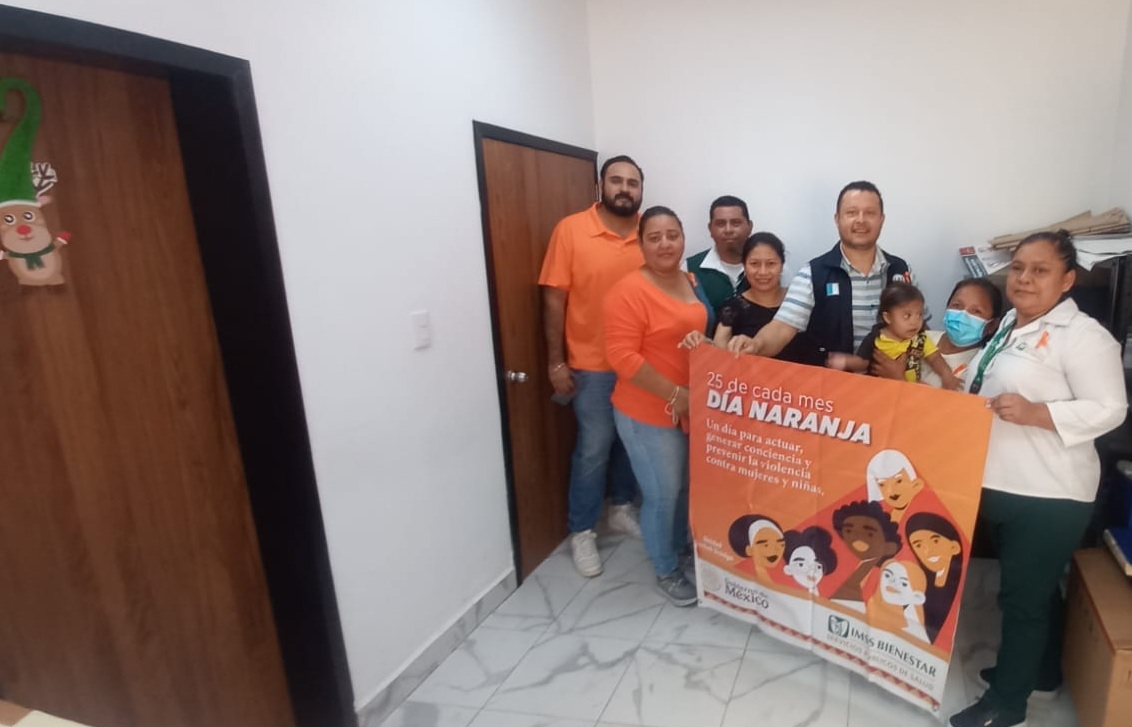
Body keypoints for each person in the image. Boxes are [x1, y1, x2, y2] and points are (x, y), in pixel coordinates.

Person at [949, 230, 1128, 727]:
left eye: (1040, 270)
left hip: (1049, 494)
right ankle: (1042, 672)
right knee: (1037, 590)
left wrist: (1038, 413)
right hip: (1005, 482)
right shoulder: (1009, 322)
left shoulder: (1085, 337)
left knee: (1022, 601)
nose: (1025, 279)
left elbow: (1112, 409)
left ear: (1067, 280)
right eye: (1019, 268)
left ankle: (1006, 704)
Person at [538, 154, 645, 577]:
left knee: (631, 442)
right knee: (594, 448)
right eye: (616, 180)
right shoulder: (570, 230)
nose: (625, 189)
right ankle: (582, 530)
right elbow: (554, 299)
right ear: (600, 186)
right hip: (591, 364)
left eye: (632, 183)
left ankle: (620, 508)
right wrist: (555, 361)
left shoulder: (650, 232)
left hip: (640, 365)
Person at [604, 205, 714, 606]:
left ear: (683, 238)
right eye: (654, 237)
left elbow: (699, 331)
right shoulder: (627, 291)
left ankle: (680, 548)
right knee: (663, 494)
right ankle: (666, 568)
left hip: (688, 409)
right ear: (641, 244)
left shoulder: (690, 280)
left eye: (672, 235)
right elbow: (622, 357)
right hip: (648, 412)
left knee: (683, 488)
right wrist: (675, 395)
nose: (665, 244)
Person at [730, 180, 923, 359]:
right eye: (852, 212)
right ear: (837, 219)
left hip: (894, 381)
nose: (861, 220)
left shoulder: (901, 270)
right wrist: (756, 344)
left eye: (870, 213)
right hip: (833, 382)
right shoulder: (813, 274)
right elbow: (781, 328)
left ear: (882, 219)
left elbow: (921, 329)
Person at [712, 233, 826, 365]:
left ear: (782, 265)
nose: (763, 272)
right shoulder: (732, 309)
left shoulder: (801, 300)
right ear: (744, 266)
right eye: (754, 264)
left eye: (771, 264)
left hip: (804, 376)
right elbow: (719, 357)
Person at [873, 277, 1004, 387]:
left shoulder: (980, 369)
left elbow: (942, 407)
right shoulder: (917, 337)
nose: (962, 315)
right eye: (957, 306)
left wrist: (899, 379)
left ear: (992, 325)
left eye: (976, 311)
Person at [828, 282, 961, 389]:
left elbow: (935, 358)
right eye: (907, 316)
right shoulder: (876, 339)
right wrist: (846, 361)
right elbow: (863, 363)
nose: (915, 322)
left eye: (919, 314)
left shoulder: (921, 338)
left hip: (909, 391)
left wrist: (946, 375)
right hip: (879, 391)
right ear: (888, 317)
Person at [687, 195, 754, 311]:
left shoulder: (768, 266)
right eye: (721, 224)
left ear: (750, 226)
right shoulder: (690, 268)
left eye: (736, 223)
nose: (728, 230)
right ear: (710, 229)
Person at [905, 512, 963, 644]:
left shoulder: (962, 586)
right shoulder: (918, 586)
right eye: (918, 545)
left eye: (935, 541)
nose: (928, 551)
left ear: (954, 547)